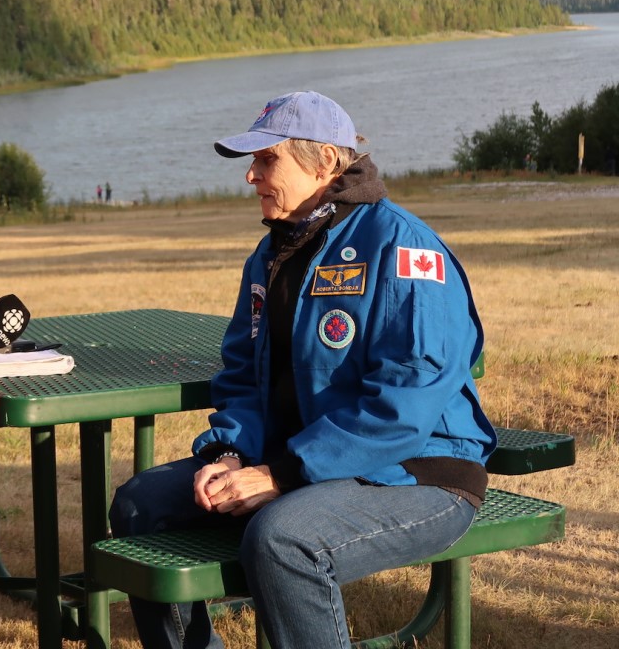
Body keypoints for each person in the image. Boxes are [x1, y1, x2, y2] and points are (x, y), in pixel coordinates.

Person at [109, 91, 496, 649]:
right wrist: (230, 454)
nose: (251, 177)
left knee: (281, 539)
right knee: (140, 505)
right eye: (254, 161)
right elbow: (242, 373)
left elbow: (406, 401)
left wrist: (281, 475)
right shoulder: (270, 256)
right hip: (303, 465)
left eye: (267, 160)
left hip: (422, 472)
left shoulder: (402, 246)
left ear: (325, 164)